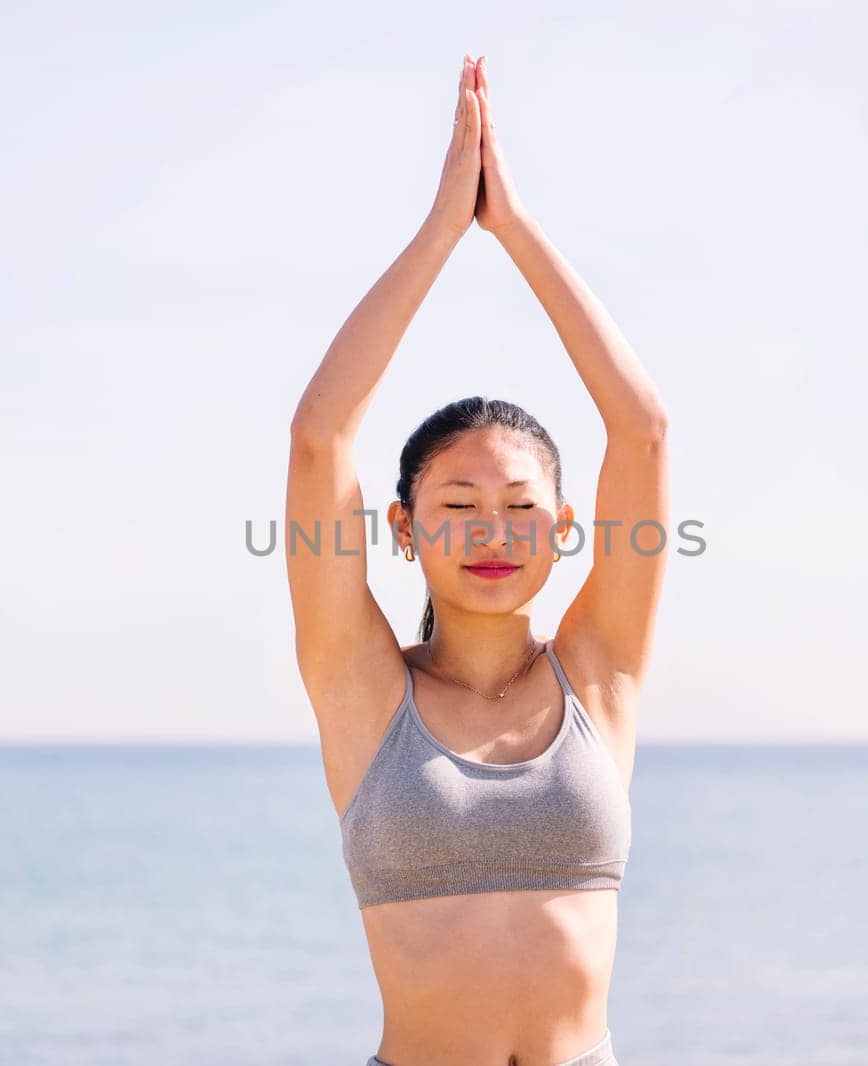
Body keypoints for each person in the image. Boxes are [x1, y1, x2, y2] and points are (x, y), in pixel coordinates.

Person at [285, 53, 670, 1066]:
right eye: (456, 505)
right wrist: (443, 233)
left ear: (563, 528)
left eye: (518, 506)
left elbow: (643, 432)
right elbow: (321, 437)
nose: (492, 530)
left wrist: (517, 231)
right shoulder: (361, 689)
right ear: (403, 529)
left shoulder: (601, 673)